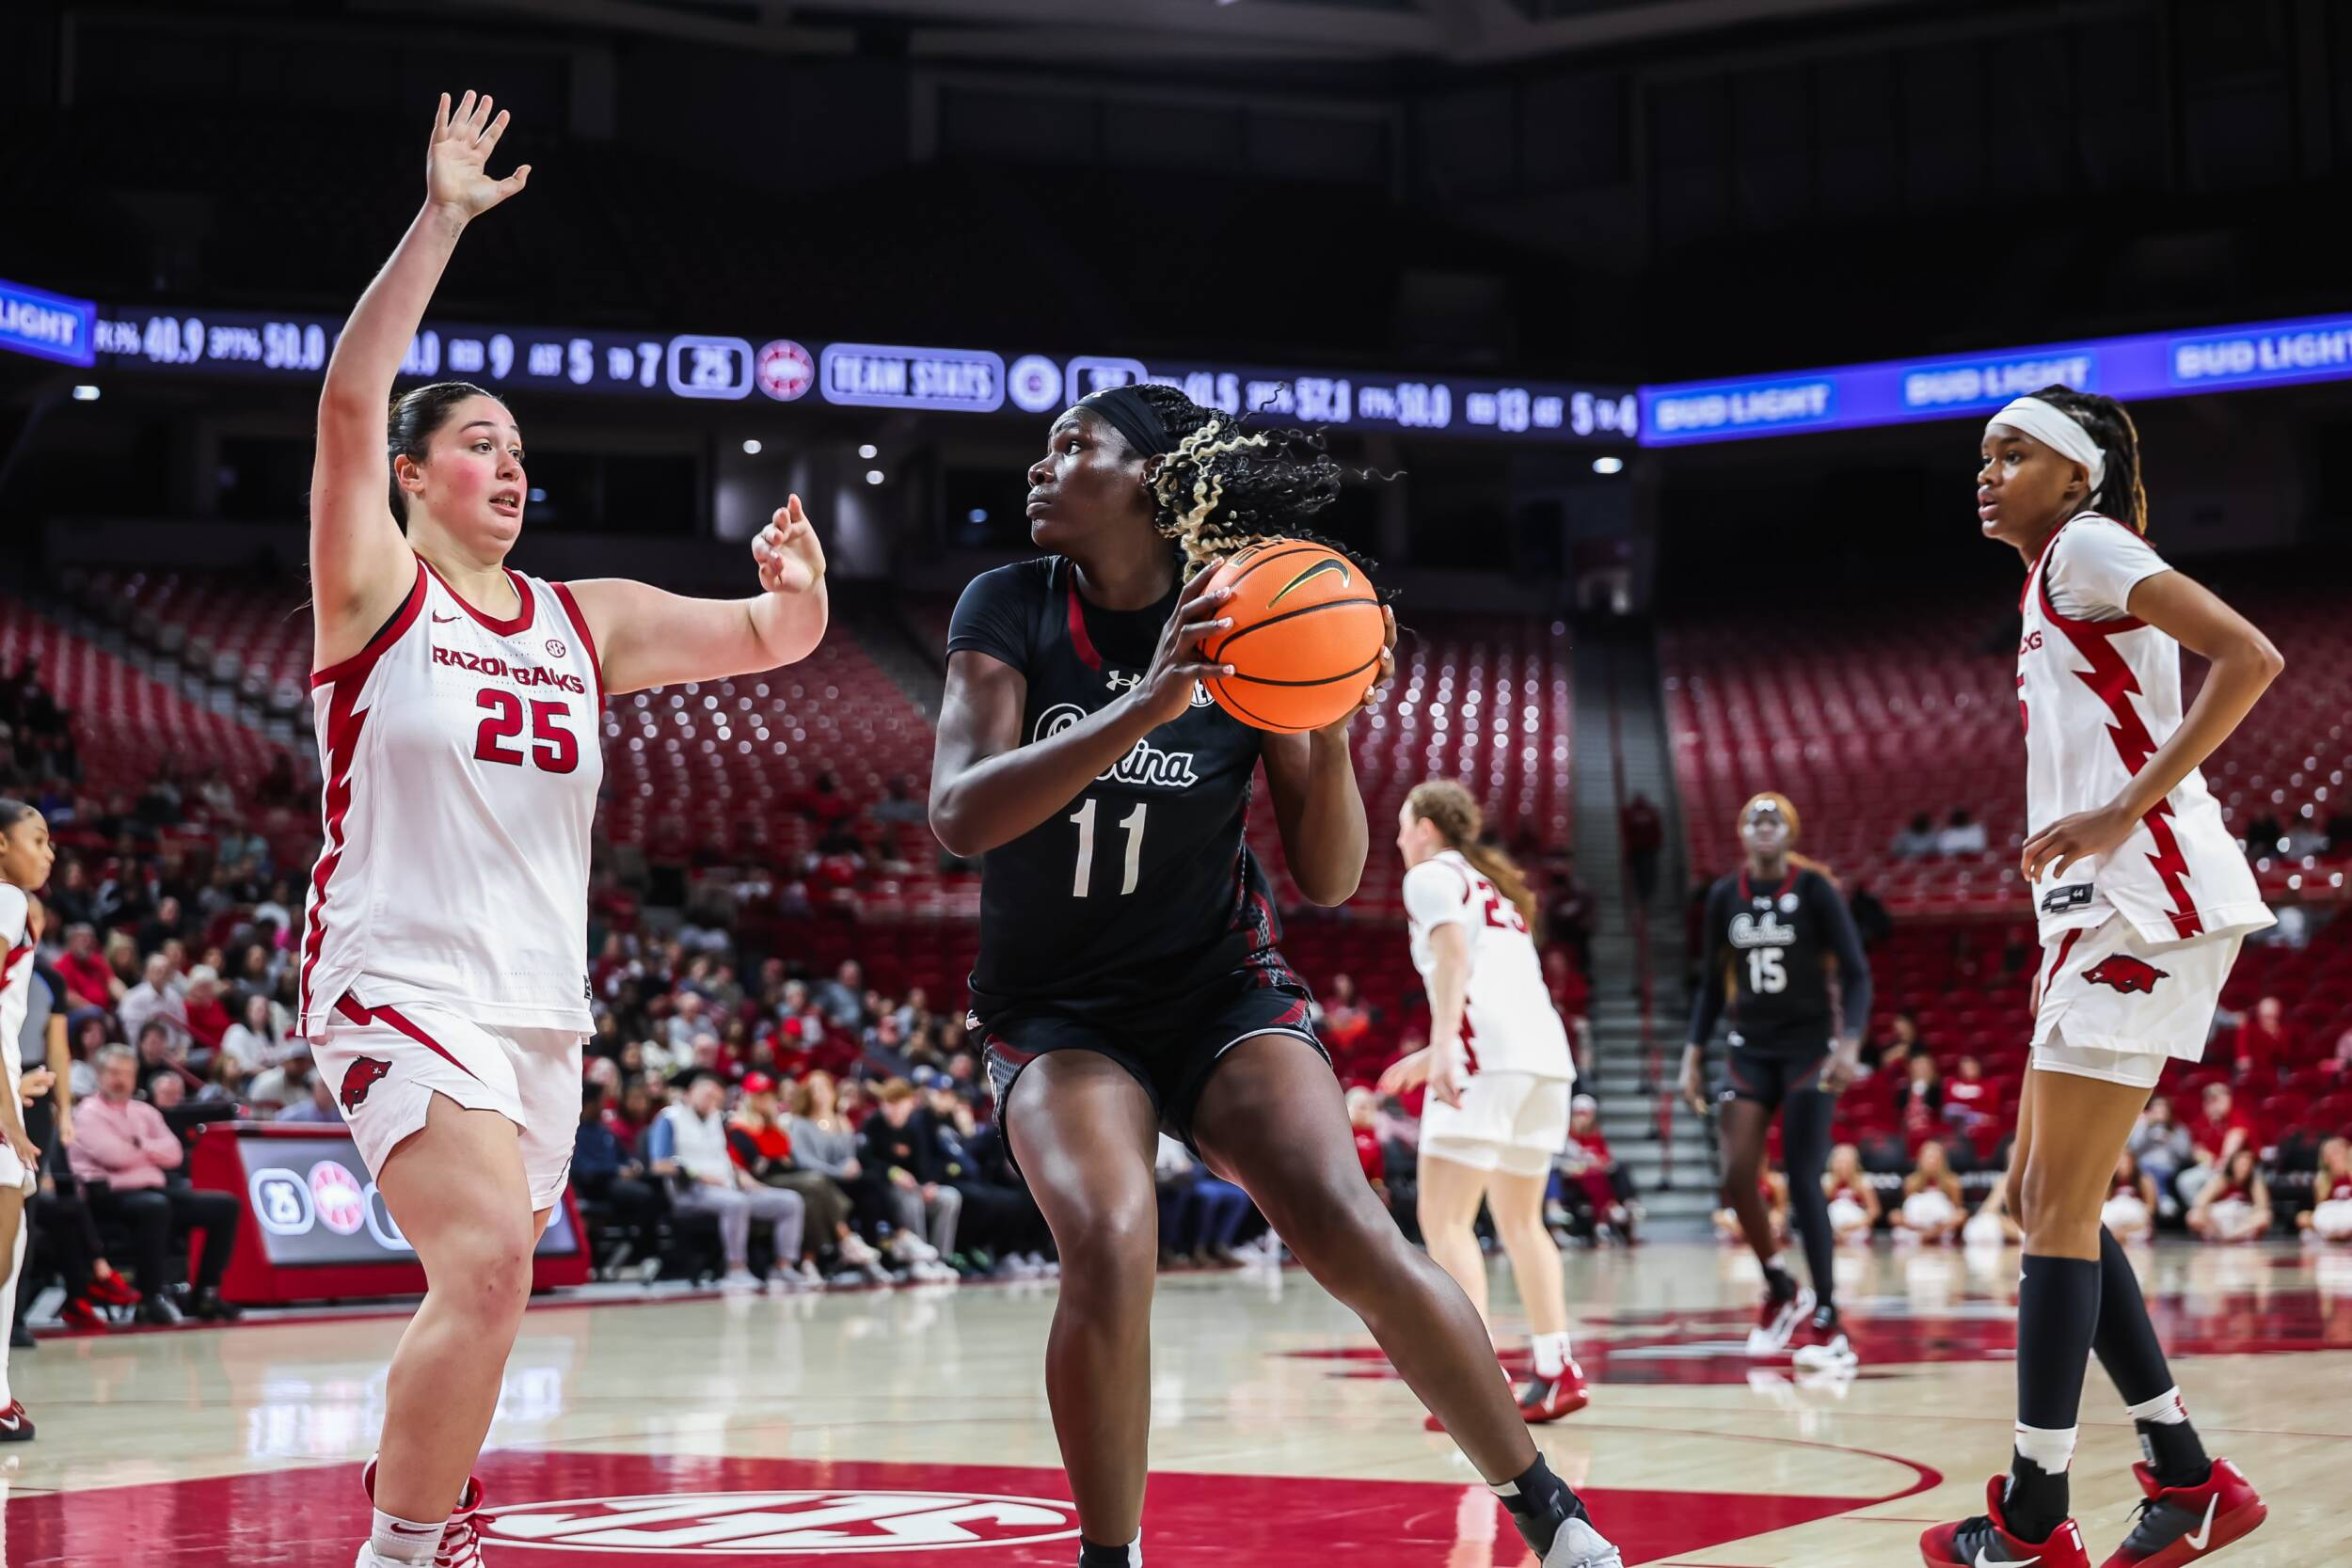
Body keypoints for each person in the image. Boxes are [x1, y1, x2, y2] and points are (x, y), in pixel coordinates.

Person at [930, 381, 1618, 1568]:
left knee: (1347, 1220)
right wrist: (1148, 701)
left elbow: (1330, 871)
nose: (1038, 466)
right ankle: (1112, 1555)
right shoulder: (1009, 603)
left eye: (1071, 445)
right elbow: (959, 813)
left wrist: (1333, 720)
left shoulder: (1258, 616)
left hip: (1217, 991)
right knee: (1106, 1230)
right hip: (1055, 1010)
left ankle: (1546, 1508)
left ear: (1151, 479)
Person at [303, 94, 830, 1568]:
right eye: (478, 442)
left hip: (539, 1004)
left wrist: (800, 582)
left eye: (519, 444)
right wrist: (443, 221)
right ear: (415, 478)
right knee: (479, 1267)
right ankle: (403, 1548)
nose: (510, 461)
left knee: (487, 1292)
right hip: (395, 969)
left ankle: (418, 1506)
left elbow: (774, 638)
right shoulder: (373, 592)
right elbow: (350, 399)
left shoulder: (584, 619)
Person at [1922, 388, 2275, 1568]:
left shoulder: (2087, 544)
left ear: (2074, 472)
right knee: (2036, 1198)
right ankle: (2186, 1476)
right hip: (2100, 907)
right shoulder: (2051, 571)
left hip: (2143, 897)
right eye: (1983, 454)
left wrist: (2124, 805)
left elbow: (2250, 653)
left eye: (2012, 451)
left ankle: (2031, 1512)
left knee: (2055, 1212)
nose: (1988, 469)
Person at [1378, 780, 1587, 1424]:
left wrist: (1443, 1047)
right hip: (1544, 1062)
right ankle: (1557, 1367)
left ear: (1429, 829)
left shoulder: (1432, 876)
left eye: (1404, 824)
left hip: (1483, 1061)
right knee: (1523, 1221)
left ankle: (1479, 1381)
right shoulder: (1494, 887)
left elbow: (1452, 957)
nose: (1396, 837)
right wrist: (1433, 1049)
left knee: (1445, 1223)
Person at [1679, 792, 1870, 1370]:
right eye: (1754, 818)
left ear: (1789, 832)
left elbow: (1857, 974)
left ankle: (1829, 1316)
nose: (1764, 826)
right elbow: (1715, 985)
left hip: (1809, 1049)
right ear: (1741, 832)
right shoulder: (1723, 896)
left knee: (1804, 1177)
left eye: (1774, 819)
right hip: (1749, 1048)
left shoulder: (1814, 891)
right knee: (1737, 1175)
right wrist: (1692, 1052)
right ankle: (1780, 1284)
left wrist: (1850, 1044)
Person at [69, 1045, 243, 1323]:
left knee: (225, 1206)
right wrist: (148, 1153)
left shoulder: (144, 1111)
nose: (121, 1080)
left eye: (127, 1073)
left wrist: (139, 1145)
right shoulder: (87, 1113)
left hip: (154, 1190)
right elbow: (115, 1157)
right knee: (154, 1207)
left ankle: (204, 1295)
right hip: (106, 1197)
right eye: (114, 1072)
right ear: (99, 1075)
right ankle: (149, 1299)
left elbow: (174, 1153)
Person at [0, 800, 56, 1440]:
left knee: (10, 1253)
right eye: (36, 839)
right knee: (2, 1258)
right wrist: (9, 1118)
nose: (47, 853)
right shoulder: (9, 901)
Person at [646, 1074, 807, 1291]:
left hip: (729, 1186)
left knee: (790, 1201)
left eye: (716, 1098)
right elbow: (659, 1164)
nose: (711, 1101)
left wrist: (743, 1177)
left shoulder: (716, 1118)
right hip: (690, 1191)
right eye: (707, 1094)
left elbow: (724, 1158)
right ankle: (736, 1269)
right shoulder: (669, 1118)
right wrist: (697, 1174)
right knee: (736, 1203)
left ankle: (783, 1266)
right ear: (691, 1092)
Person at [2185, 1148, 2269, 1243]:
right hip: (2219, 1222)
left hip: (2242, 1223)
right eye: (2241, 1164)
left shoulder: (2255, 1182)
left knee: (2264, 1216)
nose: (2244, 1168)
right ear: (2233, 1164)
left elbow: (2263, 1207)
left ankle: (2231, 1237)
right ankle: (2219, 1237)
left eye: (2247, 1164)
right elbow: (2200, 1202)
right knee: (2194, 1215)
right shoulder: (2221, 1179)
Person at [1893, 1141, 1964, 1244]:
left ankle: (1932, 1235)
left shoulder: (1953, 1182)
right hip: (1917, 1224)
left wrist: (1936, 1229)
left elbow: (1957, 1211)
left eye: (1935, 1158)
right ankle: (1923, 1234)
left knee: (1961, 1215)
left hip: (1942, 1225)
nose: (1931, 1162)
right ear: (1920, 1160)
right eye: (1928, 1158)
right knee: (1894, 1215)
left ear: (1942, 1161)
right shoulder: (1911, 1182)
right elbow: (1907, 1208)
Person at [1822, 1143, 1881, 1243]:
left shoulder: (1863, 1181)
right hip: (1831, 1228)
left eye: (1846, 1161)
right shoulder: (1826, 1181)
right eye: (1839, 1161)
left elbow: (1874, 1211)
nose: (1843, 1165)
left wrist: (1852, 1226)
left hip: (1855, 1228)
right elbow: (1819, 1207)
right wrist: (1834, 1182)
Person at [2299, 1136, 2352, 1243]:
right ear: (2325, 1159)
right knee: (2303, 1217)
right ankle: (2339, 1234)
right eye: (2330, 1153)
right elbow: (2320, 1208)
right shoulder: (2322, 1179)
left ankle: (2338, 1234)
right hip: (2333, 1213)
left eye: (2338, 1151)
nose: (2335, 1156)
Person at [2101, 1150, 2158, 1243]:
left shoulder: (2144, 1180)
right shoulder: (2109, 1182)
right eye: (2119, 1163)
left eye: (2125, 1162)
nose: (2123, 1166)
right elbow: (2105, 1205)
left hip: (2136, 1223)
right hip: (2115, 1221)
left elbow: (2150, 1208)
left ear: (2132, 1163)